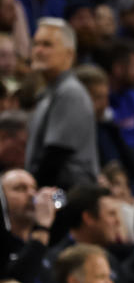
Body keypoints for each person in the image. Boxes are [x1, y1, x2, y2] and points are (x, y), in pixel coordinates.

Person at [25, 18, 98, 189]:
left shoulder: (70, 92)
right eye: (36, 44)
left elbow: (56, 155)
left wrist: (35, 191)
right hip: (58, 190)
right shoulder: (50, 92)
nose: (38, 51)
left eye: (47, 45)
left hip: (67, 194)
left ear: (69, 55)